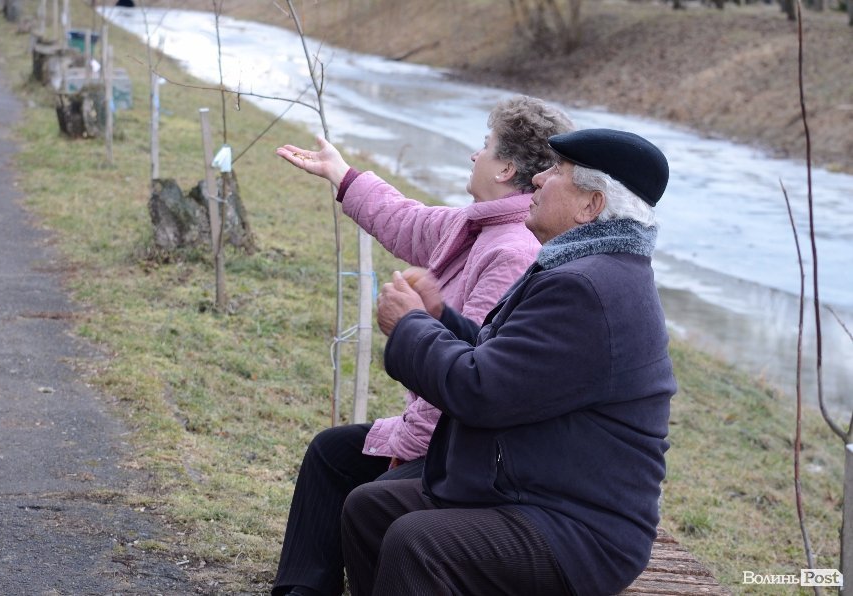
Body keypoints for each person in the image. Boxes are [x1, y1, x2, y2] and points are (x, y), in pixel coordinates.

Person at [342, 128, 677, 595]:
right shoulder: (588, 268)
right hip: (537, 492)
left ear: (591, 206)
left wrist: (410, 326)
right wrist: (438, 319)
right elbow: (508, 364)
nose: (538, 178)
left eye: (557, 171)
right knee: (371, 509)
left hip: (581, 528)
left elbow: (482, 392)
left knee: (418, 541)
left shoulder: (587, 287)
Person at [271, 96, 575, 596]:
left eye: (485, 145)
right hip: (441, 432)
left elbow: (464, 374)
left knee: (373, 499)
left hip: (467, 448)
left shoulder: (513, 251)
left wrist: (404, 448)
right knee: (331, 452)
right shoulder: (475, 224)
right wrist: (341, 174)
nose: (474, 155)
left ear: (506, 169)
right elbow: (406, 220)